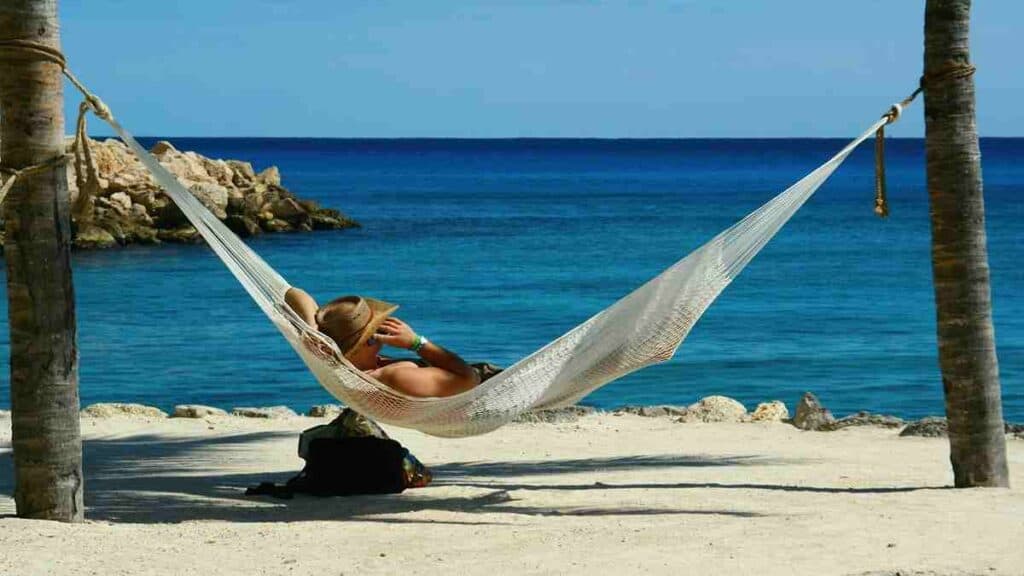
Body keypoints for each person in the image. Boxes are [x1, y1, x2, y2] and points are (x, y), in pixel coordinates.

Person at [285, 287, 481, 397]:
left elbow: (293, 293)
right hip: (481, 388)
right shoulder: (395, 376)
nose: (383, 330)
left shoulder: (333, 360)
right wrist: (416, 343)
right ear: (368, 340)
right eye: (377, 329)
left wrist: (312, 329)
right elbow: (470, 380)